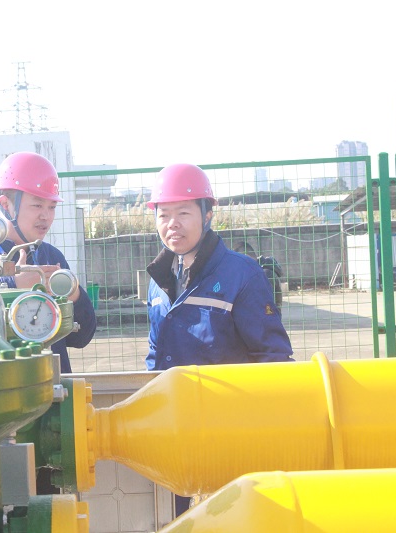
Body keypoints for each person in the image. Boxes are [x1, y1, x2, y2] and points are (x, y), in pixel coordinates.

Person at [144, 163, 294, 516]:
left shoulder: (241, 274)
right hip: (176, 429)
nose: (172, 224)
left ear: (208, 214)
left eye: (183, 213)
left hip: (230, 430)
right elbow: (155, 352)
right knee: (180, 517)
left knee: (234, 515)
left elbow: (273, 356)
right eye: (164, 215)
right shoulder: (158, 280)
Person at [0, 151, 97, 374]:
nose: (46, 216)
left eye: (51, 207)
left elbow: (82, 337)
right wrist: (14, 285)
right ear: (6, 205)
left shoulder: (51, 257)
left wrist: (74, 295)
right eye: (37, 205)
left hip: (50, 384)